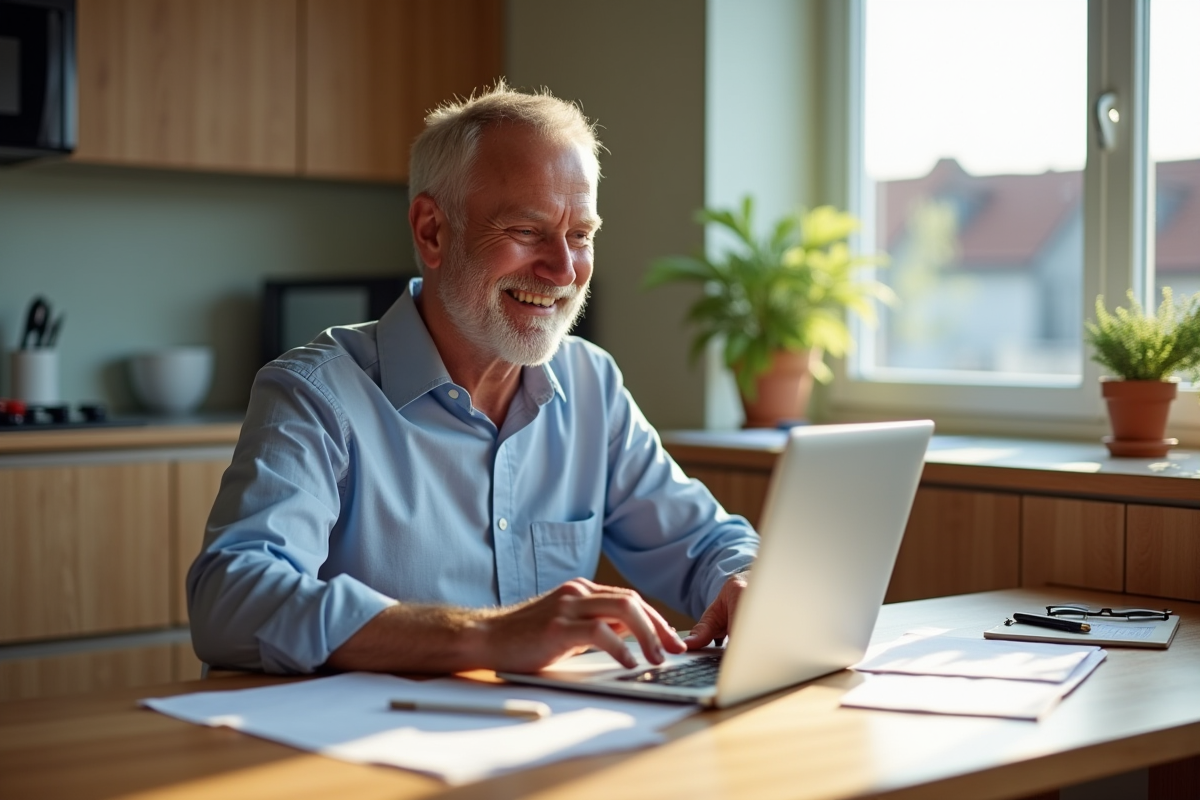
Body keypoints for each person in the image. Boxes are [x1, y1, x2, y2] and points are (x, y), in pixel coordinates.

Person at [187, 81, 759, 676]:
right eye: (527, 231)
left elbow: (708, 545)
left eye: (581, 235)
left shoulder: (591, 385)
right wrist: (484, 636)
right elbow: (231, 598)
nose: (563, 268)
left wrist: (745, 580)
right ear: (433, 231)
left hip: (536, 739)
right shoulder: (315, 393)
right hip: (361, 753)